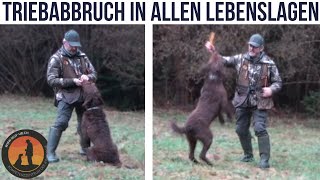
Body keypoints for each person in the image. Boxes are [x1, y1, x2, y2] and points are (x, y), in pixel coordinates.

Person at [205, 34, 282, 168]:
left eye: (255, 47)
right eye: (250, 45)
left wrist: (271, 89)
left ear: (261, 48)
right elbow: (223, 60)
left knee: (259, 128)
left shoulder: (269, 63)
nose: (251, 48)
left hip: (260, 101)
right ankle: (248, 155)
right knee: (240, 129)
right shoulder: (240, 59)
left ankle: (264, 159)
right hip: (242, 100)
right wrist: (213, 51)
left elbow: (278, 82)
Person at [46, 29, 97, 163]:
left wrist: (88, 77)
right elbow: (51, 80)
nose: (74, 47)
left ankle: (85, 149)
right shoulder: (56, 59)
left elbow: (94, 74)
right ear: (64, 42)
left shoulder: (83, 57)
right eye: (71, 45)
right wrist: (72, 81)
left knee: (85, 123)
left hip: (83, 96)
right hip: (65, 96)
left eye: (76, 45)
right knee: (61, 123)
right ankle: (50, 153)